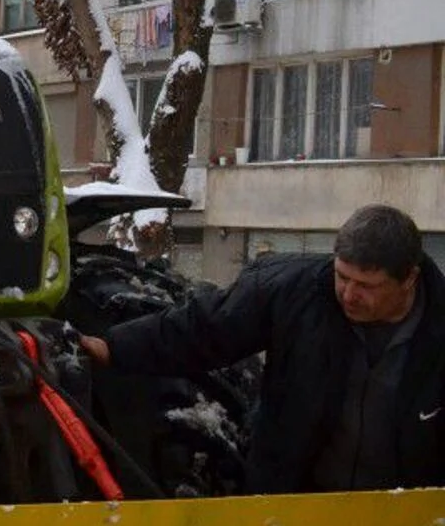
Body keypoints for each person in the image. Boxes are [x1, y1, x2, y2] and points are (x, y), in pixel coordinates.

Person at [79, 204, 444, 494]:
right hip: (294, 501)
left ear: (409, 278)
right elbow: (204, 329)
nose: (348, 295)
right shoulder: (291, 291)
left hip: (407, 519)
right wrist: (114, 347)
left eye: (366, 285)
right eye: (342, 276)